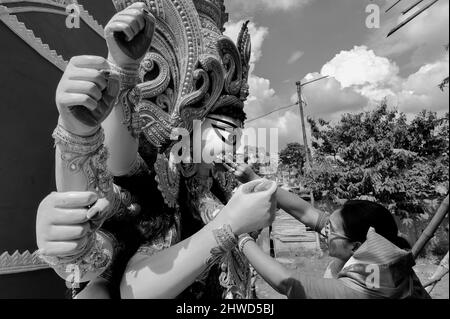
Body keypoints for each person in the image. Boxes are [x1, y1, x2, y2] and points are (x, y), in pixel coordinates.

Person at [222, 159, 431, 299]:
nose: (324, 230)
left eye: (331, 229)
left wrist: (238, 235)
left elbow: (288, 284)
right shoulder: (370, 249)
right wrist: (255, 179)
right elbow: (306, 213)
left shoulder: (372, 285)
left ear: (355, 246)